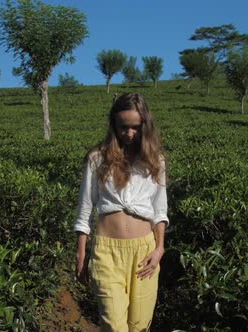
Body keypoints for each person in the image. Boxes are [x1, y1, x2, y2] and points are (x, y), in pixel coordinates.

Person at [73, 92, 168, 332]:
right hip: (107, 252)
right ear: (114, 125)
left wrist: (159, 248)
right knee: (114, 326)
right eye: (123, 127)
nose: (129, 133)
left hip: (144, 253)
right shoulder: (97, 158)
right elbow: (85, 208)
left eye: (135, 127)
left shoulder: (156, 160)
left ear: (145, 125)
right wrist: (81, 254)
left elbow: (160, 210)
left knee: (139, 326)